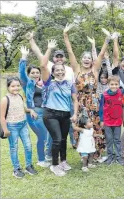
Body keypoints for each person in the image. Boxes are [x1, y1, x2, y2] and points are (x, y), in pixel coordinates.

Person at [63, 24, 111, 159]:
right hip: (80, 102)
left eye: (88, 58)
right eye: (84, 57)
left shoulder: (94, 70)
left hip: (94, 102)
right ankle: (84, 153)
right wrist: (65, 35)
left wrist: (107, 39)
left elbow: (101, 54)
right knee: (82, 126)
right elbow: (70, 52)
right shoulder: (76, 69)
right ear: (81, 60)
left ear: (91, 61)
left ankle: (97, 153)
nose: (86, 59)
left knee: (95, 127)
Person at [26, 30, 76, 153]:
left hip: (67, 103)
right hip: (52, 105)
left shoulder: (69, 69)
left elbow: (73, 87)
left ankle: (73, 144)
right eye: (56, 56)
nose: (59, 58)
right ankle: (49, 151)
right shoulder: (49, 66)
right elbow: (38, 53)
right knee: (52, 130)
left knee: (69, 126)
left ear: (64, 58)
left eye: (61, 56)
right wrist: (31, 40)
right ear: (54, 58)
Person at [40, 40, 78, 176]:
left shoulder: (69, 83)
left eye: (62, 70)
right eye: (57, 70)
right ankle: (54, 165)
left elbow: (75, 100)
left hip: (65, 114)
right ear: (53, 72)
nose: (60, 72)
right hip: (50, 114)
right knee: (56, 139)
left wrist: (75, 114)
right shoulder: (48, 82)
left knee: (63, 139)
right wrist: (49, 49)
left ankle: (63, 161)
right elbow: (43, 65)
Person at [18, 46, 51, 168]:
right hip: (34, 113)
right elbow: (21, 73)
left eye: (37, 72)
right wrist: (23, 57)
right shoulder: (27, 83)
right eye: (33, 73)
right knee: (42, 135)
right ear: (29, 74)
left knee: (48, 135)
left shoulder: (43, 84)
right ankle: (41, 160)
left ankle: (46, 155)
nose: (36, 74)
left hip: (46, 112)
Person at [0, 77, 38, 178]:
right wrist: (5, 130)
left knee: (28, 145)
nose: (16, 88)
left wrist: (30, 111)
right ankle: (16, 169)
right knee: (14, 147)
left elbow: (23, 108)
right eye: (13, 86)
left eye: (18, 86)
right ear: (8, 87)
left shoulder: (20, 96)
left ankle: (28, 166)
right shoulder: (5, 99)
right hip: (12, 126)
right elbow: (2, 117)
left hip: (23, 125)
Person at [99, 75, 124, 166]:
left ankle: (118, 157)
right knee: (109, 139)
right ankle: (110, 157)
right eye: (112, 84)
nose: (114, 86)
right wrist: (102, 120)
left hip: (117, 121)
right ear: (108, 84)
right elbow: (101, 108)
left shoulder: (122, 92)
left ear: (119, 85)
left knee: (117, 140)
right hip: (107, 121)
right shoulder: (104, 95)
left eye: (116, 84)